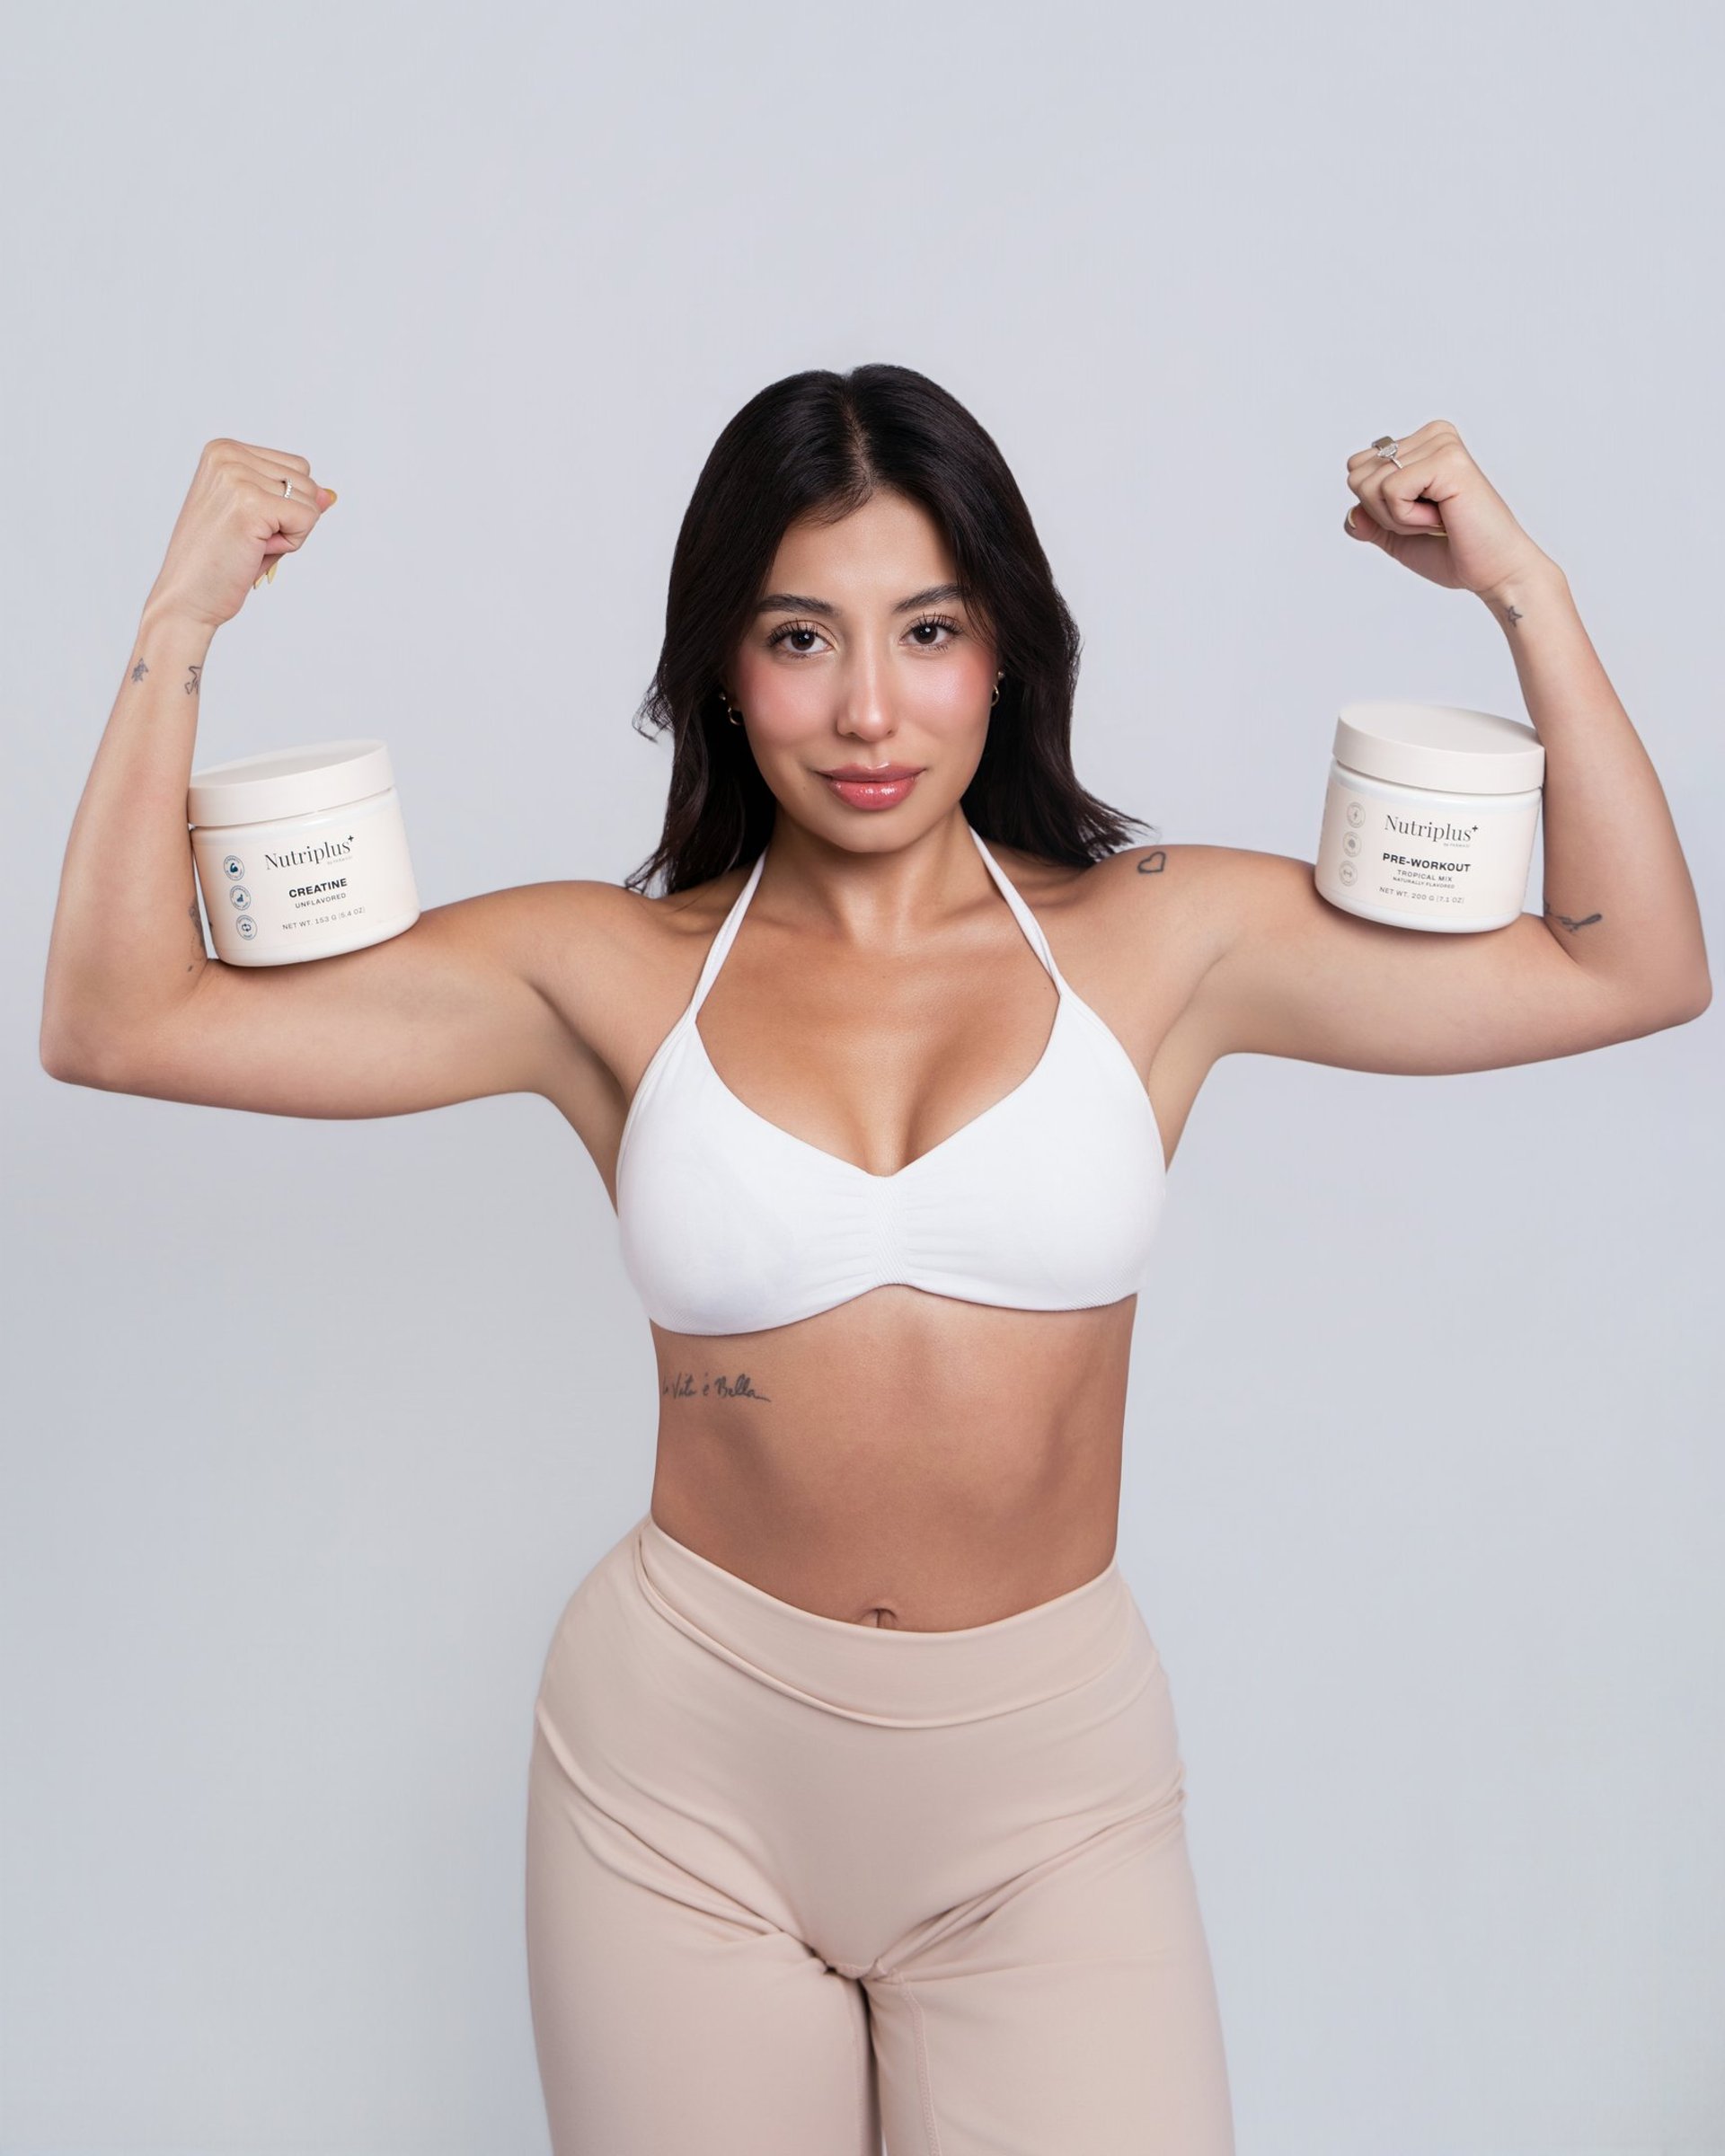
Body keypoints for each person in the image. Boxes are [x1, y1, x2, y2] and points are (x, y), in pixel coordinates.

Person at [40, 365, 1711, 2156]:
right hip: (677, 1786)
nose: (866, 710)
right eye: (798, 637)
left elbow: (1630, 964)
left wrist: (1522, 590)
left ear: (1004, 651)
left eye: (927, 630)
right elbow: (119, 1019)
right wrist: (178, 624)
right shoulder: (602, 970)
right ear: (722, 665)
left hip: (1050, 1804)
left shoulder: (1164, 940)